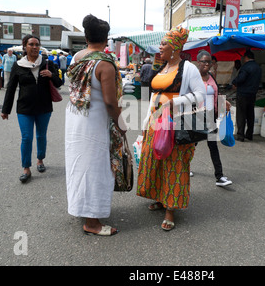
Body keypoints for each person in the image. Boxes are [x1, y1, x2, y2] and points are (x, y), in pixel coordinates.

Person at [137, 26, 206, 231]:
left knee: (173, 165)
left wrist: (176, 102)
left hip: (175, 124)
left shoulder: (188, 68)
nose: (160, 47)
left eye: (164, 44)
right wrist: (146, 119)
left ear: (175, 47)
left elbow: (201, 95)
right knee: (155, 159)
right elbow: (153, 96)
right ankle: (160, 198)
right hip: (155, 122)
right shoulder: (163, 66)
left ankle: (170, 210)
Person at [65, 14, 123, 236]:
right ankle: (92, 222)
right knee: (95, 167)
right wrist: (121, 123)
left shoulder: (77, 57)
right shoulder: (105, 64)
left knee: (79, 164)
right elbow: (110, 101)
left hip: (75, 117)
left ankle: (82, 207)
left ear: (86, 37)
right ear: (106, 38)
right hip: (94, 121)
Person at [1, 35, 62, 183]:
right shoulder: (18, 65)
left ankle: (40, 160)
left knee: (41, 135)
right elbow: (11, 89)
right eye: (31, 44)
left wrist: (51, 75)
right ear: (25, 46)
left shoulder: (47, 63)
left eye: (37, 44)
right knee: (27, 137)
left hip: (44, 107)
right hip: (25, 108)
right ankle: (26, 168)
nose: (35, 47)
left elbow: (59, 83)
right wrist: (6, 110)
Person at [195, 50, 232, 187]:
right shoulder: (193, 78)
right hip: (196, 117)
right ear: (198, 62)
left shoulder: (211, 77)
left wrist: (224, 104)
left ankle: (220, 176)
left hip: (210, 117)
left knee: (213, 145)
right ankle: (185, 168)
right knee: (191, 144)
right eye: (204, 61)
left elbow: (217, 93)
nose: (207, 64)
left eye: (209, 62)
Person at [232, 49, 262, 142]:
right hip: (252, 94)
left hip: (243, 93)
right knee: (250, 114)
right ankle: (249, 134)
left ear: (246, 57)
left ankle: (241, 135)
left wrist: (234, 82)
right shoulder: (258, 67)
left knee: (241, 114)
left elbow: (241, 79)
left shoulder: (245, 67)